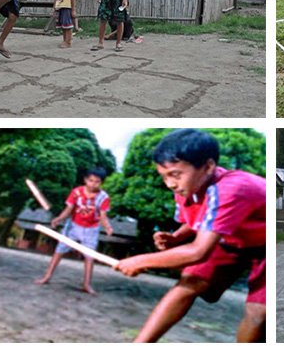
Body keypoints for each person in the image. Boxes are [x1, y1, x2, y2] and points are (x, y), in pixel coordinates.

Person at [114, 129, 266, 342]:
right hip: (229, 239)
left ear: (208, 167)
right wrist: (177, 237)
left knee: (258, 314)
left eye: (175, 174)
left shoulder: (231, 189)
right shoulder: (187, 189)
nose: (170, 184)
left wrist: (142, 260)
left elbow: (198, 252)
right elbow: (199, 221)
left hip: (268, 245)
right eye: (164, 176)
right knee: (190, 282)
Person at [35, 168, 113, 295]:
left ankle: (86, 284)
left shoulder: (104, 197)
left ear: (101, 183)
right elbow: (69, 209)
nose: (93, 184)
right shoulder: (76, 192)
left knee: (89, 256)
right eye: (90, 180)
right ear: (85, 180)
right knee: (59, 251)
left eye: (97, 182)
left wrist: (108, 227)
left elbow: (103, 216)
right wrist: (59, 218)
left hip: (91, 229)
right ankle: (47, 277)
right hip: (73, 226)